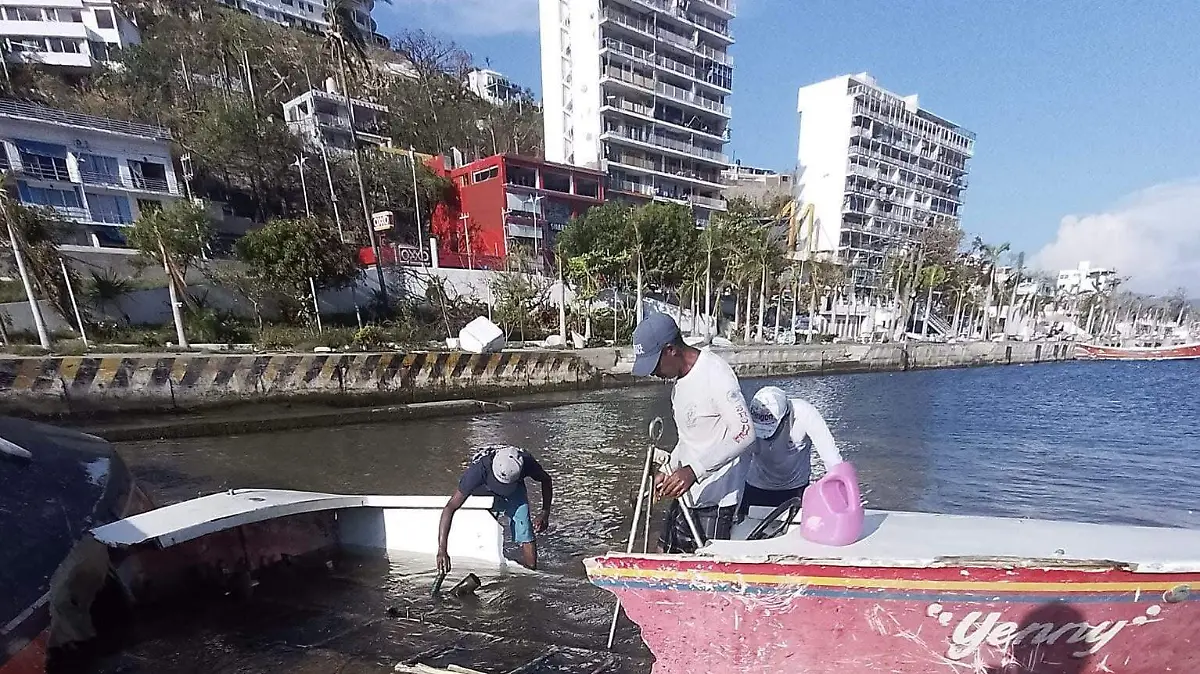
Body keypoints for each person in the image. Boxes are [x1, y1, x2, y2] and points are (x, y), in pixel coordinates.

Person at [630, 312, 755, 553]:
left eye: (654, 364)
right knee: (662, 558)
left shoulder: (715, 373)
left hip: (717, 500)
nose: (653, 373)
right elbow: (689, 440)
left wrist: (694, 471)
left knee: (706, 576)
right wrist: (668, 471)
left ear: (671, 350)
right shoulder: (679, 385)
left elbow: (746, 432)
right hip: (688, 495)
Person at [436, 444, 552, 572]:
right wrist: (442, 550)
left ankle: (531, 571)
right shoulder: (477, 471)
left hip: (515, 487)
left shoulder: (526, 462)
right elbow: (450, 507)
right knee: (485, 529)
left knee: (524, 526)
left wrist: (545, 513)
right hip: (483, 486)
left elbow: (546, 480)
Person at [741, 386, 843, 518]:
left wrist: (841, 499)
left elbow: (832, 459)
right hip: (756, 488)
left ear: (786, 416)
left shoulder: (805, 413)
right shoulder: (746, 419)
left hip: (796, 490)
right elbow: (740, 462)